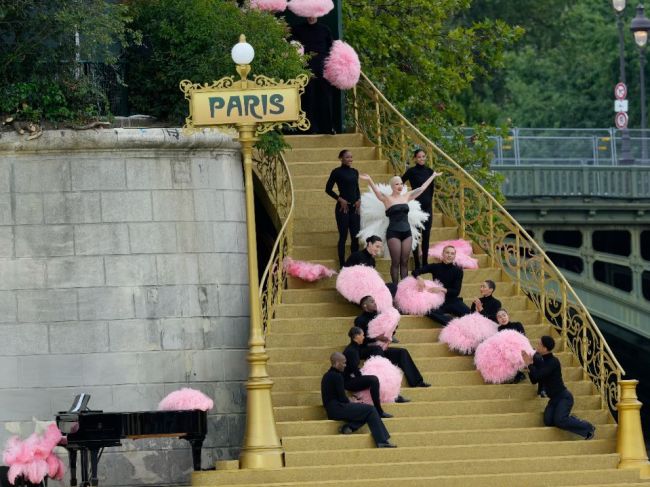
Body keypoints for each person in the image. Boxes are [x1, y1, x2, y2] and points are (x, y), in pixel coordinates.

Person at [360, 172, 440, 284]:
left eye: (401, 183)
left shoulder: (406, 196)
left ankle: (404, 288)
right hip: (393, 233)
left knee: (404, 262)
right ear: (392, 186)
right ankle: (395, 287)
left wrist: (433, 176)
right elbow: (377, 192)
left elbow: (421, 188)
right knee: (395, 262)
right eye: (397, 184)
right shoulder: (386, 198)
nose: (400, 186)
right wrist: (369, 180)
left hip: (407, 232)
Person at [522, 336, 596, 440]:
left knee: (560, 420)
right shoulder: (542, 361)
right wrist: (529, 365)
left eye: (539, 344)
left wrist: (530, 365)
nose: (537, 345)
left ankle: (588, 427)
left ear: (545, 348)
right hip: (554, 400)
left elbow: (538, 375)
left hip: (564, 397)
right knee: (548, 421)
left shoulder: (553, 362)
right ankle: (571, 419)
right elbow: (534, 380)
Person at [321, 352, 396, 447]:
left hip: (332, 410)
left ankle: (348, 427)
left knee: (365, 412)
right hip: (337, 408)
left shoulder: (326, 376)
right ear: (336, 363)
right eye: (343, 363)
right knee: (371, 409)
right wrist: (352, 401)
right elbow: (342, 399)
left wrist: (351, 402)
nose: (345, 365)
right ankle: (382, 441)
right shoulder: (337, 376)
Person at [355, 296, 431, 388]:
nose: (375, 303)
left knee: (402, 352)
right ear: (365, 305)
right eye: (371, 302)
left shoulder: (380, 315)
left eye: (374, 301)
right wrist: (376, 338)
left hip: (381, 348)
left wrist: (392, 329)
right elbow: (359, 340)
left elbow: (387, 334)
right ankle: (386, 386)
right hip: (366, 349)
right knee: (377, 349)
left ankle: (417, 382)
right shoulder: (360, 320)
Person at [291, 16, 334, 134]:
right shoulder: (297, 29)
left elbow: (331, 50)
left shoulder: (325, 30)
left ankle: (327, 128)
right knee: (307, 97)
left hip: (322, 69)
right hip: (305, 69)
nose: (311, 17)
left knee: (324, 97)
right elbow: (294, 48)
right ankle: (308, 129)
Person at [412, 245, 471, 325]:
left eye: (452, 254)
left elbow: (456, 291)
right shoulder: (435, 267)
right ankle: (452, 323)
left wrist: (441, 289)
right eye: (447, 252)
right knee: (428, 311)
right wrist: (419, 278)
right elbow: (415, 272)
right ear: (442, 254)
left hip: (452, 300)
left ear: (454, 256)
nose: (449, 255)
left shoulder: (458, 271)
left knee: (470, 314)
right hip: (438, 301)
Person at [343, 327, 393, 418]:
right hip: (348, 382)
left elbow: (367, 340)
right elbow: (355, 370)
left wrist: (379, 338)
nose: (363, 337)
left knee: (373, 377)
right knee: (374, 379)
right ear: (356, 336)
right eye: (362, 335)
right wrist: (365, 377)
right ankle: (379, 411)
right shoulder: (351, 351)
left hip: (352, 377)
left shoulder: (354, 347)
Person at [326, 150, 361, 267]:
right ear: (341, 158)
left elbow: (357, 189)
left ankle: (354, 263)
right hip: (342, 209)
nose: (350, 159)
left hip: (354, 208)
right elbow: (328, 189)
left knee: (355, 237)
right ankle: (342, 264)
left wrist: (359, 200)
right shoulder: (336, 172)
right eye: (347, 157)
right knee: (343, 236)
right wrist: (340, 199)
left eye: (351, 157)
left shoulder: (355, 172)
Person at [402, 149, 435, 269]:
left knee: (426, 236)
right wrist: (407, 197)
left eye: (423, 156)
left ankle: (425, 263)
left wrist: (429, 204)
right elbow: (400, 183)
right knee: (416, 236)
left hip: (427, 208)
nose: (422, 159)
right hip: (415, 208)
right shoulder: (411, 171)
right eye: (419, 157)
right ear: (415, 158)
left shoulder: (430, 171)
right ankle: (417, 263)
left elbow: (431, 190)